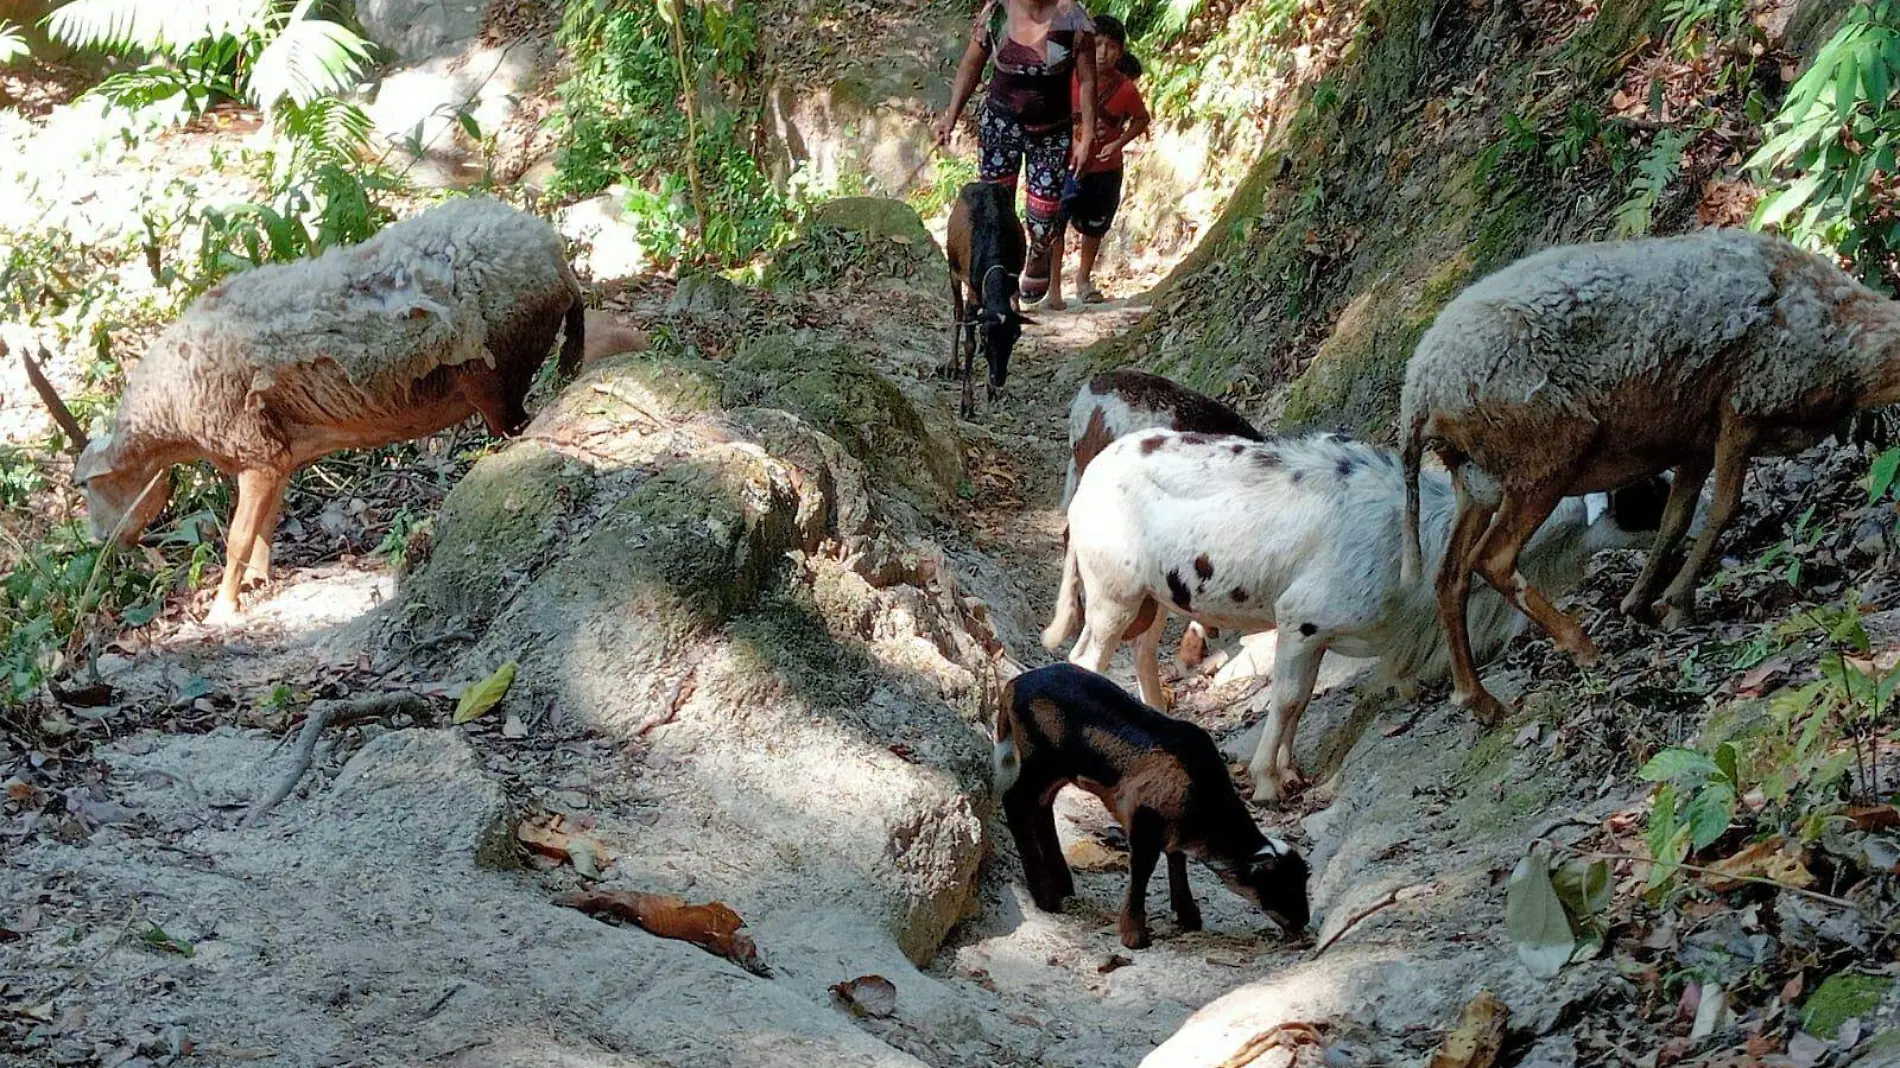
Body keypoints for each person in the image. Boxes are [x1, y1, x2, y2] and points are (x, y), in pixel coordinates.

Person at [934, 0, 1097, 305]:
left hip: (1051, 131)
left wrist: (1086, 135)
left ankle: (1038, 249)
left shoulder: (1072, 18)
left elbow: (1088, 80)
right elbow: (971, 65)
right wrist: (951, 115)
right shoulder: (998, 12)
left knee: (1044, 218)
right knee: (995, 213)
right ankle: (997, 280)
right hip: (1000, 125)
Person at [1045, 14, 1149, 308]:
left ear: (1122, 51)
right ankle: (1053, 289)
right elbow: (1051, 115)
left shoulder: (1126, 90)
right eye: (1098, 44)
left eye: (1112, 47)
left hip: (1105, 170)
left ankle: (1083, 278)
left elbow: (1142, 120)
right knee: (1055, 224)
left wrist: (1118, 143)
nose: (1104, 53)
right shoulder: (1069, 79)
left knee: (1095, 227)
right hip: (1067, 166)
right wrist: (1072, 141)